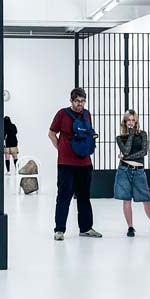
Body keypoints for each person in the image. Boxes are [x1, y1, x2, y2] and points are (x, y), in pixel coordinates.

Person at [48, 87, 102, 240]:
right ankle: (59, 230)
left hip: (85, 163)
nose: (80, 104)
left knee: (84, 196)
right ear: (71, 101)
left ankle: (86, 228)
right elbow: (51, 133)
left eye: (83, 101)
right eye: (77, 101)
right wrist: (61, 149)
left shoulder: (87, 114)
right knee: (64, 196)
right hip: (66, 164)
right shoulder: (62, 114)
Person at [114, 109, 150, 237]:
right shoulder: (120, 138)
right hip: (124, 171)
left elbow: (144, 152)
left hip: (138, 171)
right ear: (125, 122)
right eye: (128, 120)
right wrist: (131, 134)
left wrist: (125, 157)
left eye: (133, 120)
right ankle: (130, 227)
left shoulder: (143, 134)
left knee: (146, 199)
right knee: (126, 200)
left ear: (136, 121)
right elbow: (126, 150)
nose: (131, 122)